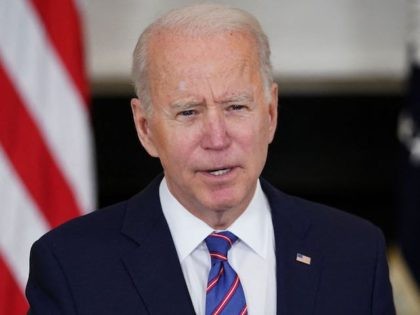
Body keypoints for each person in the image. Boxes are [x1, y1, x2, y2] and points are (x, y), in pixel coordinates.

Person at [26, 3, 395, 314]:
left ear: (270, 113)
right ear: (145, 128)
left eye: (236, 107)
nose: (217, 139)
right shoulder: (72, 267)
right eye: (188, 112)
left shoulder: (354, 254)